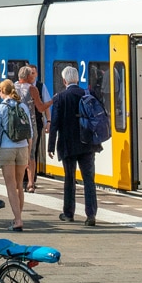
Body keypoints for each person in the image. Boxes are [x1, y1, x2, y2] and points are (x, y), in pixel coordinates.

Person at [47, 64, 98, 225]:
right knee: (89, 180)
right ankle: (91, 215)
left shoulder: (61, 97)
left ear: (64, 81)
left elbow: (54, 124)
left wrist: (50, 146)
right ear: (77, 79)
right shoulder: (87, 94)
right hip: (87, 144)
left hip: (67, 145)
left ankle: (69, 213)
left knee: (70, 179)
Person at [0, 78, 31, 232]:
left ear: (2, 91)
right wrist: (28, 151)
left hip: (7, 148)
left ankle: (18, 220)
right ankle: (17, 217)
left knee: (11, 186)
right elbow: (30, 132)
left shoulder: (0, 108)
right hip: (23, 148)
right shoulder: (23, 106)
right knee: (19, 185)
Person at [15, 65, 48, 193]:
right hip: (30, 126)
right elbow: (41, 107)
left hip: (16, 126)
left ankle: (19, 182)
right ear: (28, 76)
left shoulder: (13, 87)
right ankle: (30, 183)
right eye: (32, 74)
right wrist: (53, 101)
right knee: (31, 154)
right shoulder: (32, 88)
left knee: (19, 153)